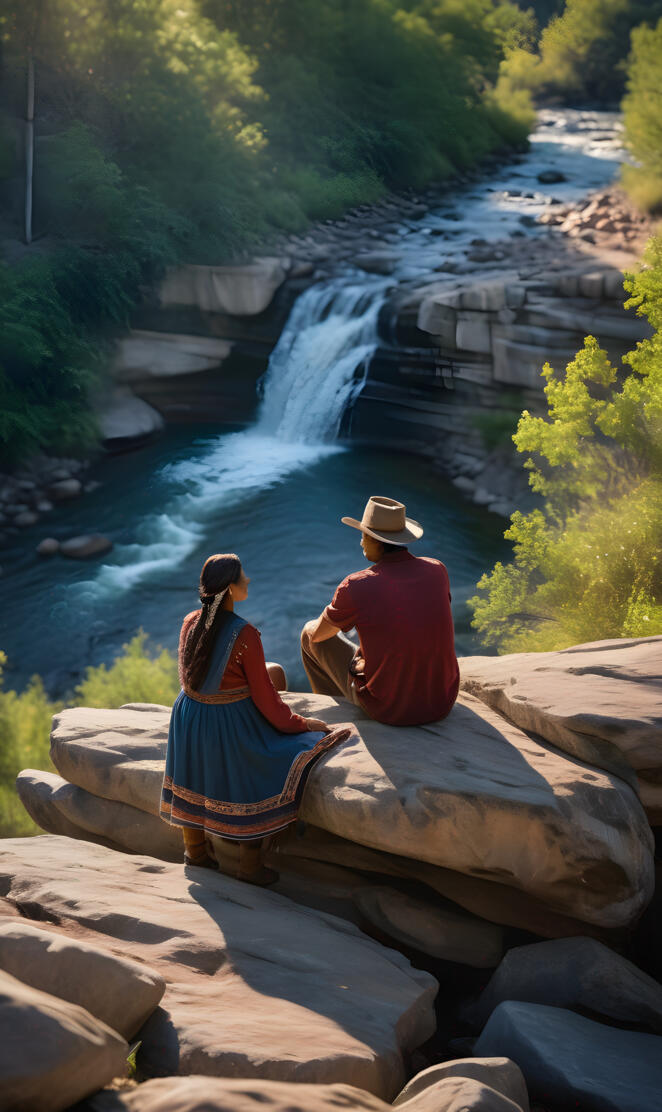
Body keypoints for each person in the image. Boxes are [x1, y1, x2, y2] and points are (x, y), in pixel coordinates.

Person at [161, 553, 352, 885]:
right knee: (253, 777)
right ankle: (249, 868)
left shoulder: (191, 621)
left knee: (191, 777)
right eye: (242, 577)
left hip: (188, 715)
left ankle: (196, 854)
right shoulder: (245, 634)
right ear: (231, 589)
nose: (247, 580)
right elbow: (266, 699)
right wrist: (302, 724)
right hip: (227, 720)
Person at [301, 495, 459, 727]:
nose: (361, 542)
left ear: (374, 540)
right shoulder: (437, 570)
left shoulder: (356, 584)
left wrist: (333, 611)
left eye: (364, 536)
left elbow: (319, 636)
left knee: (308, 633)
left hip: (390, 709)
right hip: (442, 702)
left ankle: (335, 715)